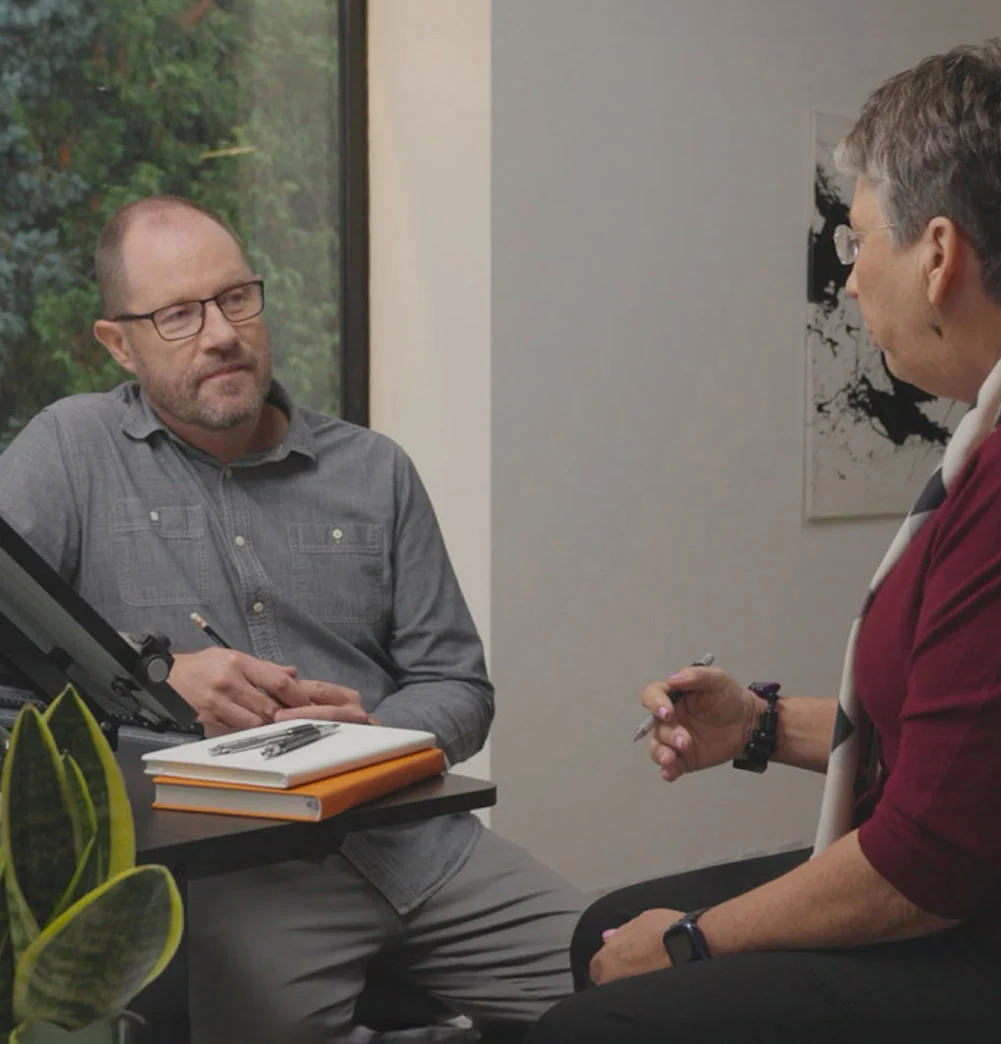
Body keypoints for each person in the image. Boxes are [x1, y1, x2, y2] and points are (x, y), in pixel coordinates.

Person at [527, 39, 1001, 1044]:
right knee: (601, 930)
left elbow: (926, 859)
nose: (850, 285)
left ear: (938, 255)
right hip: (981, 896)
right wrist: (758, 727)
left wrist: (690, 942)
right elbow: (980, 745)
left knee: (607, 1013)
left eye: (861, 246)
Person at [0, 194, 583, 1044]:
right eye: (177, 315)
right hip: (232, 881)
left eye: (237, 297)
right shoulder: (67, 452)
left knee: (630, 985)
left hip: (421, 847)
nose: (222, 332)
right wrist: (155, 675)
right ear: (117, 343)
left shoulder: (375, 469)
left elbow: (458, 685)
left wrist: (369, 737)